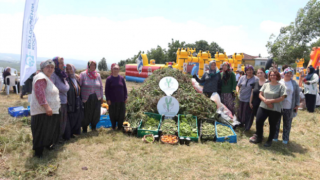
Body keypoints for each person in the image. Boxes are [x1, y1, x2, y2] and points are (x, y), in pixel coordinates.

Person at [30, 59, 61, 158]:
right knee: (41, 130)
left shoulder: (47, 78)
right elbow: (40, 94)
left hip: (48, 111)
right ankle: (38, 153)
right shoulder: (40, 77)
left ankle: (46, 145)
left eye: (52, 67)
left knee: (48, 130)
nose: (50, 69)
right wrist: (47, 107)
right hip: (42, 111)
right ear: (42, 68)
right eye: (48, 67)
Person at [249, 70, 286, 147]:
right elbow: (260, 94)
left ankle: (269, 140)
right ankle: (259, 137)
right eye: (271, 75)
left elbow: (282, 98)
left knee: (272, 125)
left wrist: (271, 101)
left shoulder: (281, 86)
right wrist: (265, 101)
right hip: (263, 106)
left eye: (274, 75)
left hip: (275, 109)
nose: (273, 76)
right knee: (258, 121)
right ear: (269, 76)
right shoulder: (266, 85)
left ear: (277, 76)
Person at [273, 68, 300, 144]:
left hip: (289, 107)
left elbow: (297, 95)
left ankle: (285, 138)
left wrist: (297, 105)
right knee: (276, 122)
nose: (288, 74)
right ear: (284, 74)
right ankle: (275, 137)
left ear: (292, 74)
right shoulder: (279, 82)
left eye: (290, 73)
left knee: (287, 123)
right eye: (286, 73)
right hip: (279, 106)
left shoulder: (294, 83)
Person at [80, 60, 103, 133]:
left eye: (94, 65)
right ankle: (84, 129)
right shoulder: (83, 74)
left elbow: (101, 87)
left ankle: (93, 127)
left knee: (95, 112)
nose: (93, 67)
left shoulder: (98, 75)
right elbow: (79, 85)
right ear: (88, 66)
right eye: (91, 65)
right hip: (86, 98)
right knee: (86, 113)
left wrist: (101, 97)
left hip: (96, 97)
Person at [51, 56, 70, 141]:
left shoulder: (62, 74)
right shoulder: (53, 75)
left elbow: (66, 87)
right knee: (57, 122)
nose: (63, 64)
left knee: (62, 121)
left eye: (63, 63)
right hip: (57, 102)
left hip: (63, 101)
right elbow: (53, 88)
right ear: (55, 64)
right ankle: (55, 139)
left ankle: (59, 137)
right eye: (61, 63)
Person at [105, 64, 128, 130]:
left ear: (119, 70)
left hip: (121, 100)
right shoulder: (109, 79)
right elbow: (106, 90)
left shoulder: (121, 78)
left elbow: (125, 89)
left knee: (121, 113)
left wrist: (125, 97)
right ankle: (113, 126)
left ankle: (120, 126)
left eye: (117, 69)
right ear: (112, 69)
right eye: (114, 68)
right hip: (112, 100)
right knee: (112, 113)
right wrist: (108, 99)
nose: (115, 70)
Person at [66, 64, 83, 138]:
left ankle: (76, 131)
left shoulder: (76, 78)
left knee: (77, 115)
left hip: (77, 99)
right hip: (70, 100)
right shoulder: (66, 79)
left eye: (70, 69)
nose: (69, 71)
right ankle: (70, 133)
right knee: (71, 117)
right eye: (67, 69)